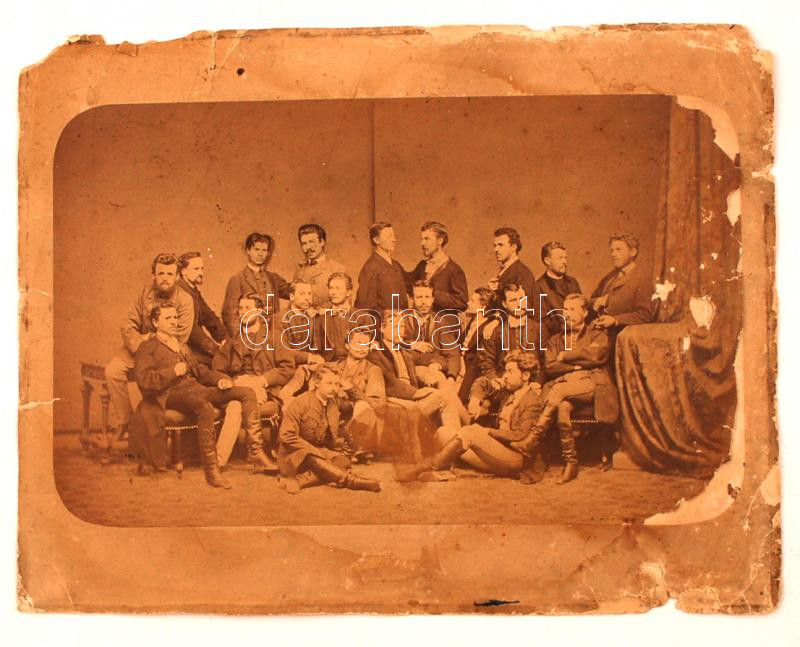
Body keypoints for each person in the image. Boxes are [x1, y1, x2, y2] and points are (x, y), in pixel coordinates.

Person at [129, 303, 263, 489]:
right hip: (169, 394)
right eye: (168, 318)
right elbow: (144, 381)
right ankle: (212, 470)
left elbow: (200, 371)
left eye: (175, 317)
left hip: (195, 389)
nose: (174, 322)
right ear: (155, 322)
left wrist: (220, 380)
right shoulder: (147, 347)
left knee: (246, 392)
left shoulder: (181, 346)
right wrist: (173, 372)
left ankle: (256, 453)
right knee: (204, 406)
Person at [511, 293, 618, 483]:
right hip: (565, 386)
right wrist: (577, 366)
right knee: (562, 406)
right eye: (565, 309)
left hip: (591, 384)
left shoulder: (597, 333)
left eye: (572, 309)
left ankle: (533, 438)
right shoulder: (556, 339)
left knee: (558, 391)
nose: (567, 314)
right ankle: (571, 462)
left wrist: (566, 357)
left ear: (585, 313)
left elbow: (596, 356)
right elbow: (550, 366)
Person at [397, 350, 546, 484]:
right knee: (444, 433)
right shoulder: (507, 392)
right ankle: (441, 471)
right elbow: (482, 383)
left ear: (526, 376)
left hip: (515, 459)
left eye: (510, 372)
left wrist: (486, 432)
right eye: (505, 371)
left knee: (470, 432)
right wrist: (475, 401)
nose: (505, 376)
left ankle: (423, 468)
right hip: (493, 453)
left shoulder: (533, 401)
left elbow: (519, 435)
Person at [103, 253, 194, 443]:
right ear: (153, 275)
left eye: (170, 274)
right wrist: (141, 347)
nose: (165, 278)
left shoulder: (185, 300)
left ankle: (153, 430)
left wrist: (149, 342)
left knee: (159, 380)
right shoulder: (144, 293)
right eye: (161, 273)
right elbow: (128, 324)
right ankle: (125, 422)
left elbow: (180, 335)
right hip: (137, 349)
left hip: (167, 353)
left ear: (177, 276)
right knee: (112, 371)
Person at [212, 293, 298, 469]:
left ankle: (219, 461)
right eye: (241, 308)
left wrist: (262, 380)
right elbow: (217, 368)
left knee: (235, 406)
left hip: (265, 391)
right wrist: (226, 381)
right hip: (237, 388)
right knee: (235, 404)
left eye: (248, 308)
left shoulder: (274, 338)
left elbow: (287, 368)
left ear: (259, 312)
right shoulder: (232, 341)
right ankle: (237, 458)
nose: (243, 312)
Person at [368, 308, 467, 448]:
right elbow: (390, 383)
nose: (400, 331)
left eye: (402, 327)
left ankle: (454, 441)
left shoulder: (406, 352)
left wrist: (434, 365)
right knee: (443, 397)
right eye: (395, 327)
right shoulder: (376, 353)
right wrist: (419, 393)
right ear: (383, 329)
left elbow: (435, 357)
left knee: (445, 397)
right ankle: (461, 436)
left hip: (413, 400)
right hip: (397, 402)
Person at [278, 364, 381, 494]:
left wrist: (349, 388)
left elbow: (365, 404)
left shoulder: (334, 401)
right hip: (295, 453)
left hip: (322, 452)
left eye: (336, 384)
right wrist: (316, 452)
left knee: (343, 460)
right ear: (316, 383)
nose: (334, 388)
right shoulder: (300, 402)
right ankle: (350, 481)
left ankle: (301, 481)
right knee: (312, 458)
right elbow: (287, 436)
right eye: (329, 383)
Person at [279, 329, 386, 454]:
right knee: (294, 402)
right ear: (347, 346)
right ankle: (291, 447)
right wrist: (289, 389)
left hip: (350, 421)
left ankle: (349, 449)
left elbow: (377, 405)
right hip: (326, 416)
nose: (362, 348)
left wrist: (351, 389)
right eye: (358, 343)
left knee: (363, 407)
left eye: (366, 345)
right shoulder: (335, 366)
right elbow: (305, 370)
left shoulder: (373, 371)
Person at [221, 232, 290, 336]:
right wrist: (240, 339)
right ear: (248, 251)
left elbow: (294, 291)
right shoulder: (238, 280)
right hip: (250, 336)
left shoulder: (273, 278)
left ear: (268, 253)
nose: (260, 254)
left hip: (272, 335)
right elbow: (230, 315)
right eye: (256, 250)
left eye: (264, 250)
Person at [478, 283, 546, 387]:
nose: (519, 304)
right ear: (504, 304)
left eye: (522, 299)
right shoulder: (494, 330)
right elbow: (486, 361)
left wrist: (538, 382)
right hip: (503, 382)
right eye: (513, 300)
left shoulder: (539, 328)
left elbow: (546, 360)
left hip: (532, 384)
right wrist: (495, 380)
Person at [590, 232, 654, 332]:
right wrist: (596, 302)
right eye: (612, 250)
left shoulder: (642, 279)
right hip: (598, 334)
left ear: (633, 252)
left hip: (622, 336)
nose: (613, 254)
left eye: (618, 250)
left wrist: (615, 320)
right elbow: (592, 299)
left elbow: (644, 315)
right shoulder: (609, 277)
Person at [405, 279, 461, 385]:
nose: (423, 302)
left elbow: (453, 353)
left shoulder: (441, 322)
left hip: (434, 369)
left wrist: (451, 377)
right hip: (408, 370)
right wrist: (412, 344)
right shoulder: (402, 319)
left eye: (427, 297)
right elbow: (391, 343)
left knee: (443, 385)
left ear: (432, 299)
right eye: (419, 297)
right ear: (411, 299)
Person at [177, 251, 228, 366]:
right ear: (183, 271)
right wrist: (215, 349)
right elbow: (192, 330)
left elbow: (209, 317)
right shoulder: (180, 292)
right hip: (183, 347)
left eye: (201, 269)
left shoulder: (193, 291)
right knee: (218, 364)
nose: (200, 273)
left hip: (195, 344)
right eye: (196, 269)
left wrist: (223, 338)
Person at [354, 222, 409, 319]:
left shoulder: (395, 265)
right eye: (389, 236)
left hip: (400, 323)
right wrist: (386, 314)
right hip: (382, 324)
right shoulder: (370, 268)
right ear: (376, 240)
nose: (394, 239)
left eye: (393, 236)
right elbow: (364, 306)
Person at [410, 220, 468, 312]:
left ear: (440, 241)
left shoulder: (454, 270)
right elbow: (407, 285)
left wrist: (432, 295)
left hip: (445, 320)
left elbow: (462, 302)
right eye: (422, 239)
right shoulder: (422, 266)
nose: (422, 243)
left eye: (427, 239)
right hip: (424, 320)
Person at [533, 242, 582, 338]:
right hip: (555, 338)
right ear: (547, 261)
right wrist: (564, 329)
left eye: (565, 258)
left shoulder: (572, 282)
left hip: (578, 334)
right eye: (560, 258)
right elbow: (541, 319)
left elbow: (582, 308)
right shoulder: (538, 286)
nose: (564, 262)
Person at [457, 287, 498, 403]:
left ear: (483, 306)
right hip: (461, 363)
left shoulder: (488, 327)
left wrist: (463, 366)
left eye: (472, 301)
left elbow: (478, 357)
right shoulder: (474, 320)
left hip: (471, 369)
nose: (468, 303)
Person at [292, 223, 346, 309]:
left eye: (312, 242)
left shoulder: (337, 268)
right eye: (304, 243)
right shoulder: (299, 272)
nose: (308, 247)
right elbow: (293, 304)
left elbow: (344, 307)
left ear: (322, 242)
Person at [488, 227, 536, 308]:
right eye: (495, 246)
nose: (496, 249)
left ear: (513, 247)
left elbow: (524, 307)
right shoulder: (505, 271)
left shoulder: (523, 274)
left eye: (500, 245)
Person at [317, 271, 354, 362]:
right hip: (329, 365)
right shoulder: (320, 319)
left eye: (338, 288)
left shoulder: (362, 317)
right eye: (331, 288)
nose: (333, 292)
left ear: (348, 292)